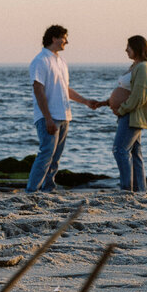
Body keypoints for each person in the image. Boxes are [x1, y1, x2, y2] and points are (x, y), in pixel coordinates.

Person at [26, 25, 100, 193]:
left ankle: (48, 189)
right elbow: (38, 89)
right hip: (49, 116)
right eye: (64, 37)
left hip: (64, 115)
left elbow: (65, 89)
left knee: (55, 158)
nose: (67, 41)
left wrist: (85, 101)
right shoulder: (40, 60)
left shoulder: (61, 61)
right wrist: (48, 118)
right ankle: (32, 191)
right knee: (46, 154)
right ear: (54, 38)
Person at [108, 35, 147, 192]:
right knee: (135, 153)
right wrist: (107, 103)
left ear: (138, 48)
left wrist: (121, 109)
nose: (126, 49)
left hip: (132, 115)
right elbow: (126, 91)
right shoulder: (135, 66)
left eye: (129, 46)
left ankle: (127, 189)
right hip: (128, 114)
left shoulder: (143, 67)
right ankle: (140, 190)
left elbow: (139, 97)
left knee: (119, 150)